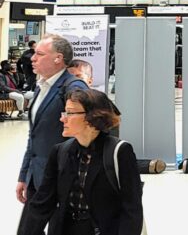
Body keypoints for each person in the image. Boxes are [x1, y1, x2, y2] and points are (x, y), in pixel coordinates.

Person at [17, 89, 143, 235]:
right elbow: (42, 203)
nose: (62, 119)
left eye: (69, 113)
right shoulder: (60, 152)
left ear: (92, 117)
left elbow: (132, 209)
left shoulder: (120, 152)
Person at [17, 34, 90, 206]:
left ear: (58, 58)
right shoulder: (42, 87)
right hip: (36, 176)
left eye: (40, 54)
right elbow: (34, 136)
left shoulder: (73, 87)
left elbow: (84, 135)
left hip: (61, 180)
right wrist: (24, 175)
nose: (33, 58)